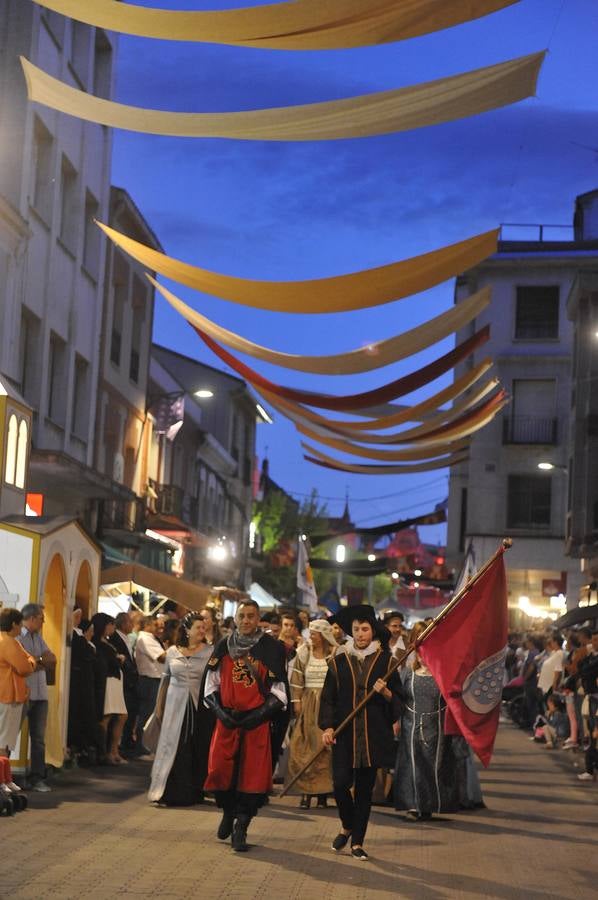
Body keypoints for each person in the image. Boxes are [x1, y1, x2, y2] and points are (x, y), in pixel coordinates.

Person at [203, 599, 289, 852]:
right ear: (236, 618)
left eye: (251, 616)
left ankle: (242, 825)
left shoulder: (271, 648)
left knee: (251, 778)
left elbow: (280, 692)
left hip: (256, 723)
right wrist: (220, 711)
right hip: (227, 721)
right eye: (242, 616)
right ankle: (228, 813)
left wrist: (258, 715)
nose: (246, 621)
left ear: (258, 617)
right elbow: (210, 685)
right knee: (220, 771)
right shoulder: (223, 645)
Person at [320, 605, 401, 861]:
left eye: (365, 629)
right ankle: (347, 824)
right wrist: (328, 726)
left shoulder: (387, 662)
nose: (360, 634)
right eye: (356, 629)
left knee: (364, 791)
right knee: (340, 784)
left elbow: (400, 700)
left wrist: (387, 693)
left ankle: (357, 842)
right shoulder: (338, 660)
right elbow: (328, 698)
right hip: (344, 734)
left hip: (372, 735)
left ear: (373, 631)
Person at [394, 623, 459, 821]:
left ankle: (429, 804)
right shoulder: (407, 670)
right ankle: (413, 804)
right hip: (411, 723)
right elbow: (399, 697)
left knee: (433, 764)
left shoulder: (442, 670)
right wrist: (396, 720)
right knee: (413, 763)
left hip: (436, 725)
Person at [148, 615, 214, 805]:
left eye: (204, 627)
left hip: (198, 707)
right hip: (174, 707)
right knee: (172, 747)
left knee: (193, 746)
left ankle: (193, 791)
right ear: (187, 630)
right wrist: (159, 709)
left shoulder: (210, 652)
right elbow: (165, 680)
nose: (203, 630)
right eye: (199, 627)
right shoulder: (172, 652)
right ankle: (167, 791)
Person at [287, 619, 337, 809]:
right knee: (305, 749)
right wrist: (297, 701)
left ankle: (322, 793)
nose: (311, 637)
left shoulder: (334, 654)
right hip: (308, 705)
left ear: (323, 635)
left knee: (324, 751)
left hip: (326, 706)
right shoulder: (304, 652)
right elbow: (297, 678)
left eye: (314, 634)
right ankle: (305, 792)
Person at [17, 603, 56, 792]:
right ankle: (6, 777)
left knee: (39, 738)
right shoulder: (17, 637)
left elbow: (52, 658)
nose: (44, 621)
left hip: (40, 694)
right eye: (41, 617)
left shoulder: (38, 637)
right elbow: (24, 663)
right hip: (23, 692)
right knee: (11, 736)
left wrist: (37, 661)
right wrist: (39, 661)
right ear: (32, 618)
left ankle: (37, 777)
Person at [92, 613, 128, 765]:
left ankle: (113, 751)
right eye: (110, 624)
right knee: (107, 717)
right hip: (108, 682)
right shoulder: (97, 644)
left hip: (115, 681)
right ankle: (105, 752)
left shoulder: (107, 642)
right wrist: (118, 659)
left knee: (120, 716)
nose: (113, 627)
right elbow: (107, 661)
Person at [0, 608, 35, 758]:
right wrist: (33, 662)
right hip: (8, 696)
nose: (21, 628)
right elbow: (25, 667)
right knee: (3, 743)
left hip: (5, 695)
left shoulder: (8, 641)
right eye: (20, 624)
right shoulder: (8, 642)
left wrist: (30, 660)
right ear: (13, 624)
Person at [135, 616, 166, 753]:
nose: (158, 628)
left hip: (153, 680)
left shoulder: (151, 638)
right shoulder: (146, 638)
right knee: (146, 715)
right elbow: (161, 657)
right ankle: (141, 746)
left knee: (149, 714)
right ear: (147, 625)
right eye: (155, 624)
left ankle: (145, 746)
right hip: (149, 681)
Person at [110, 612, 139, 757]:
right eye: (130, 622)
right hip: (123, 682)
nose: (132, 625)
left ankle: (125, 743)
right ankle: (118, 747)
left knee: (129, 713)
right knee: (122, 715)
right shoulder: (115, 639)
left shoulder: (126, 639)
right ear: (123, 624)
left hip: (130, 682)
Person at [537, 633, 564, 711]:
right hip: (545, 684)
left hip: (550, 685)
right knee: (543, 704)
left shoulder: (559, 653)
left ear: (555, 642)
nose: (550, 643)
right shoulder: (553, 653)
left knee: (549, 706)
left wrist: (554, 685)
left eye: (551, 641)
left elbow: (557, 670)